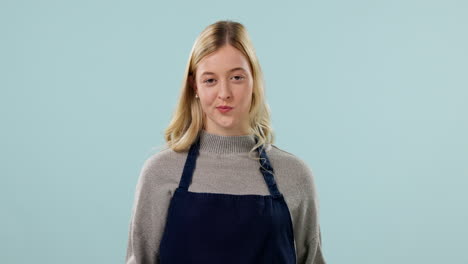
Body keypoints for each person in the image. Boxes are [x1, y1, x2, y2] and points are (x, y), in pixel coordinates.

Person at [125, 20, 326, 264]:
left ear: (254, 81)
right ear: (194, 86)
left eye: (237, 77)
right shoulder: (160, 172)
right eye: (210, 80)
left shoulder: (294, 175)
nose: (225, 94)